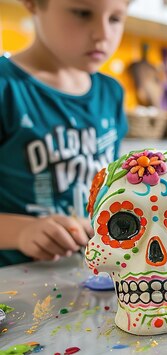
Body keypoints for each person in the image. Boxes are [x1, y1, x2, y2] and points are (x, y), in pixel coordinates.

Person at [0, 0, 130, 267]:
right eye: (83, 13)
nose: (103, 34)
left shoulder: (111, 93)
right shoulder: (6, 88)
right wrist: (23, 232)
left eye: (115, 19)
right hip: (13, 281)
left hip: (87, 271)